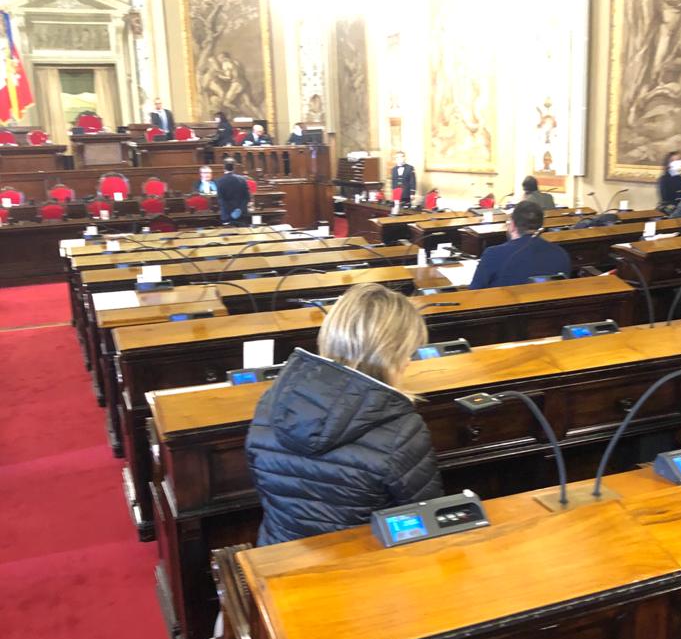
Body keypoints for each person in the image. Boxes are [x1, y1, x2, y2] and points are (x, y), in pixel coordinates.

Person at [246, 283, 443, 546]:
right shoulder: (402, 428)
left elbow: (266, 492)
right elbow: (426, 516)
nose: (408, 361)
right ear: (388, 355)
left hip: (278, 553)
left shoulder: (273, 401)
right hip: (360, 563)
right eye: (407, 353)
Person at [470, 201, 571, 289]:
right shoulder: (560, 253)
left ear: (512, 225)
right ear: (540, 225)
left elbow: (475, 291)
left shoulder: (493, 254)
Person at [216, 159, 250, 224]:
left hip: (227, 216)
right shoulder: (242, 179)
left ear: (224, 168)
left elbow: (221, 200)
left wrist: (231, 212)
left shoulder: (219, 181)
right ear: (234, 168)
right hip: (242, 215)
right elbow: (247, 198)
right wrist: (239, 210)